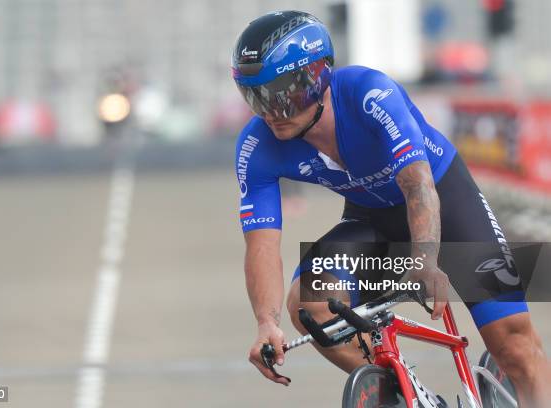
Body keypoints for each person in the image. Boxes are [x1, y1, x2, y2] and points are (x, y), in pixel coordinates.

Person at [231, 10, 550, 407]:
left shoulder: (369, 92)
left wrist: (426, 261)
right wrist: (266, 324)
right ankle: (414, 395)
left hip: (444, 203)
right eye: (256, 97)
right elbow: (261, 244)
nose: (270, 113)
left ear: (317, 76)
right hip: (373, 221)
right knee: (311, 304)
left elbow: (418, 184)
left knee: (515, 345)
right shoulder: (255, 146)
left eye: (281, 95)